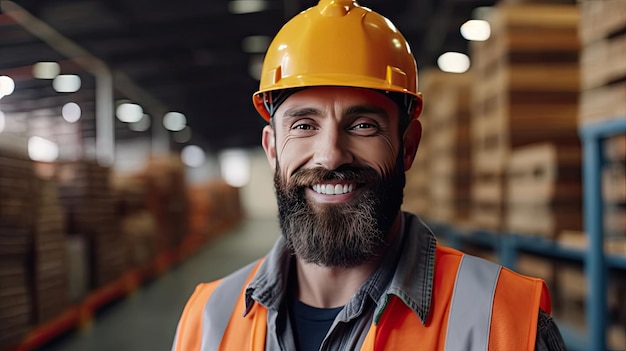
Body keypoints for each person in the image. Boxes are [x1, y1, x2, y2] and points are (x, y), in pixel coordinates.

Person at [172, 0, 566, 350]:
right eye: (304, 125)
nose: (331, 155)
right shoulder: (208, 318)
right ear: (272, 148)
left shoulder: (505, 322)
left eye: (363, 125)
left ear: (408, 145)